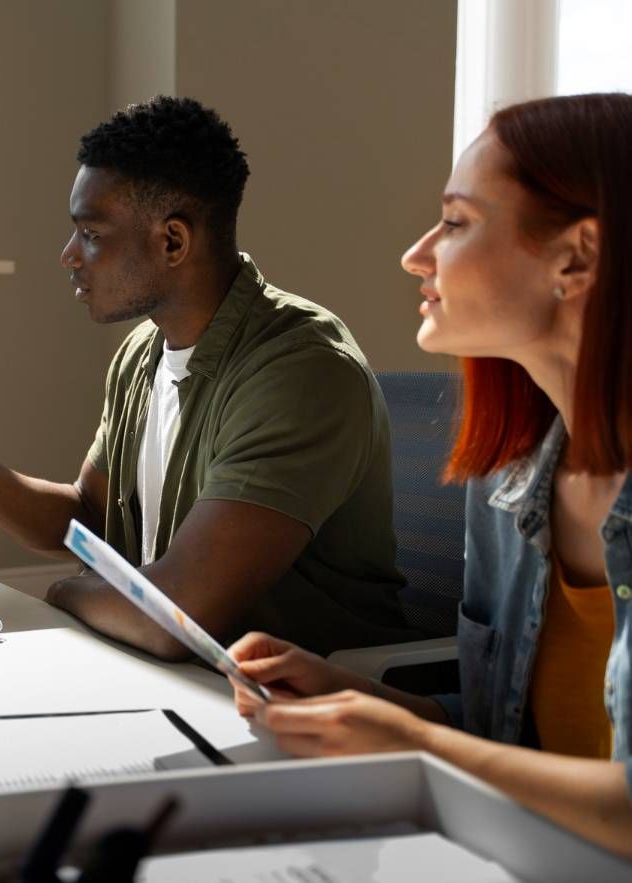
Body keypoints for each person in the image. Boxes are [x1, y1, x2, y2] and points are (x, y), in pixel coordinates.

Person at [0, 97, 417, 659]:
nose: (69, 255)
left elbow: (177, 617)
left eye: (90, 233)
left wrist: (64, 594)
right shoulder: (143, 352)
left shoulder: (298, 371)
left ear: (172, 241)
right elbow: (86, 517)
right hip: (165, 671)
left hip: (297, 714)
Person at [227, 93, 632, 858]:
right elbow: (505, 734)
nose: (417, 255)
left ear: (577, 256)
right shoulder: (511, 479)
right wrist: (362, 699)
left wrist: (413, 741)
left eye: (454, 222)